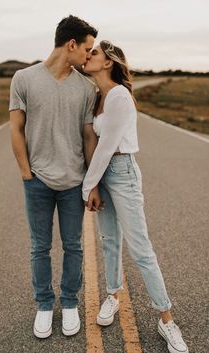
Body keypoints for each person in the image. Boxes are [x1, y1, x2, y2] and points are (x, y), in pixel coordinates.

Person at [82, 40, 188, 353]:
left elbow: (106, 146)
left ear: (108, 62)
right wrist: (96, 185)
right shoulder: (96, 96)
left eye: (94, 53)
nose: (88, 56)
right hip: (105, 172)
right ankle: (113, 296)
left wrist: (88, 186)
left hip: (122, 171)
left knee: (141, 248)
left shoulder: (119, 96)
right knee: (110, 241)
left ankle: (166, 319)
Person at [9, 15, 101, 339]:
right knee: (40, 247)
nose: (89, 56)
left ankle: (71, 302)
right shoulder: (23, 78)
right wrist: (26, 173)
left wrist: (91, 183)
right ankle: (45, 305)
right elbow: (16, 129)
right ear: (71, 44)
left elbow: (89, 137)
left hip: (74, 181)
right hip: (38, 182)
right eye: (87, 50)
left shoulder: (87, 88)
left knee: (74, 246)